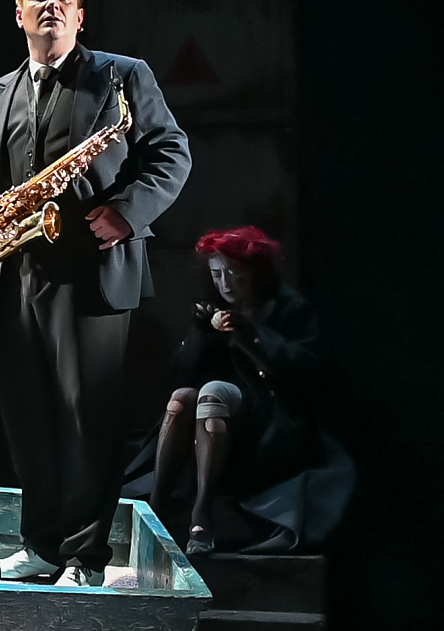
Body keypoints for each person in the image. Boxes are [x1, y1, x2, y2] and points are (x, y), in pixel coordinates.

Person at [0, 0, 192, 587]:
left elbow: (171, 152)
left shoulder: (122, 76)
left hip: (93, 270)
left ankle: (84, 558)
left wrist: (127, 212)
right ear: (19, 14)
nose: (50, 3)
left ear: (80, 16)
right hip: (13, 274)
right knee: (28, 419)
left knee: (88, 419)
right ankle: (42, 547)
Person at [130, 226, 350, 555]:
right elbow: (183, 373)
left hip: (271, 420)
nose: (226, 283)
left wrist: (252, 335)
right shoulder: (211, 310)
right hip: (217, 415)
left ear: (256, 271)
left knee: (213, 391)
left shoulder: (289, 308)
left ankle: (202, 513)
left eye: (235, 273)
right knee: (181, 398)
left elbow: (304, 371)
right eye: (217, 274)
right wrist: (203, 332)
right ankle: (158, 507)